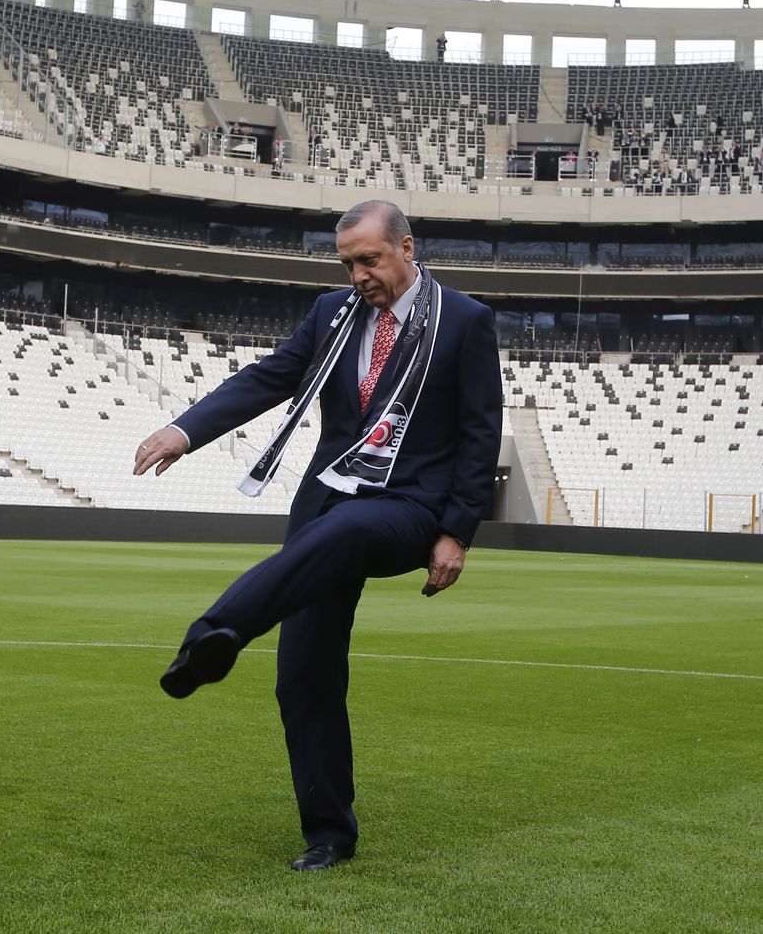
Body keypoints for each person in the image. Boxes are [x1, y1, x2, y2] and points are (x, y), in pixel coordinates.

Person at [133, 200, 501, 872]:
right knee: (304, 675)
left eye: (370, 259)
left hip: (409, 508)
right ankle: (330, 833)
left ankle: (217, 633)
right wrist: (184, 430)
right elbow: (268, 379)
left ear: (407, 248)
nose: (359, 274)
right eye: (348, 263)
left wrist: (457, 531)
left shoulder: (466, 322)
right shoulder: (330, 314)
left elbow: (481, 433)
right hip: (326, 508)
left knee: (353, 528)